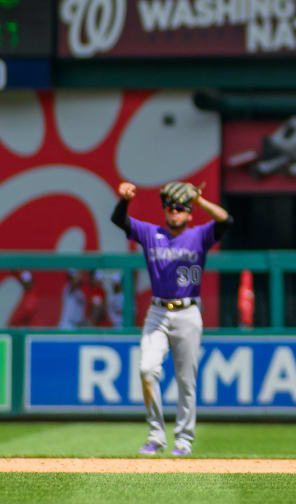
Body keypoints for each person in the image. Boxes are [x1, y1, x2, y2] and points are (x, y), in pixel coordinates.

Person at [112, 179, 231, 456]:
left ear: (189, 213)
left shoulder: (199, 235)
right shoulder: (150, 232)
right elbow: (119, 220)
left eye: (180, 208)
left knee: (186, 380)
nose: (174, 211)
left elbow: (226, 221)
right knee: (146, 369)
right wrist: (125, 199)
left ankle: (184, 440)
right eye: (170, 207)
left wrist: (200, 201)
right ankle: (155, 435)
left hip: (188, 312)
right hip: (157, 311)